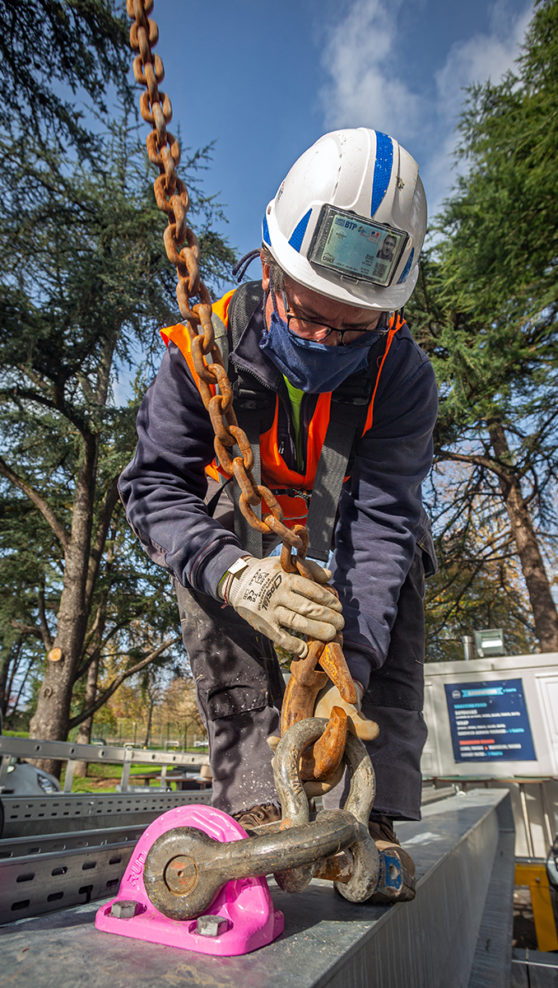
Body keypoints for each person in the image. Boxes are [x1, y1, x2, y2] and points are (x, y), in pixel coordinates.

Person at [119, 127, 437, 903]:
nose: (328, 338)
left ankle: (379, 809)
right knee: (212, 519)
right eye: (308, 314)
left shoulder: (402, 376)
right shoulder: (206, 346)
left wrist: (347, 671)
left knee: (406, 566)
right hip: (249, 538)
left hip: (346, 530)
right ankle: (255, 792)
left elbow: (380, 526)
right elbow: (153, 487)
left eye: (351, 327)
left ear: (385, 315)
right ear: (270, 269)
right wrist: (235, 577)